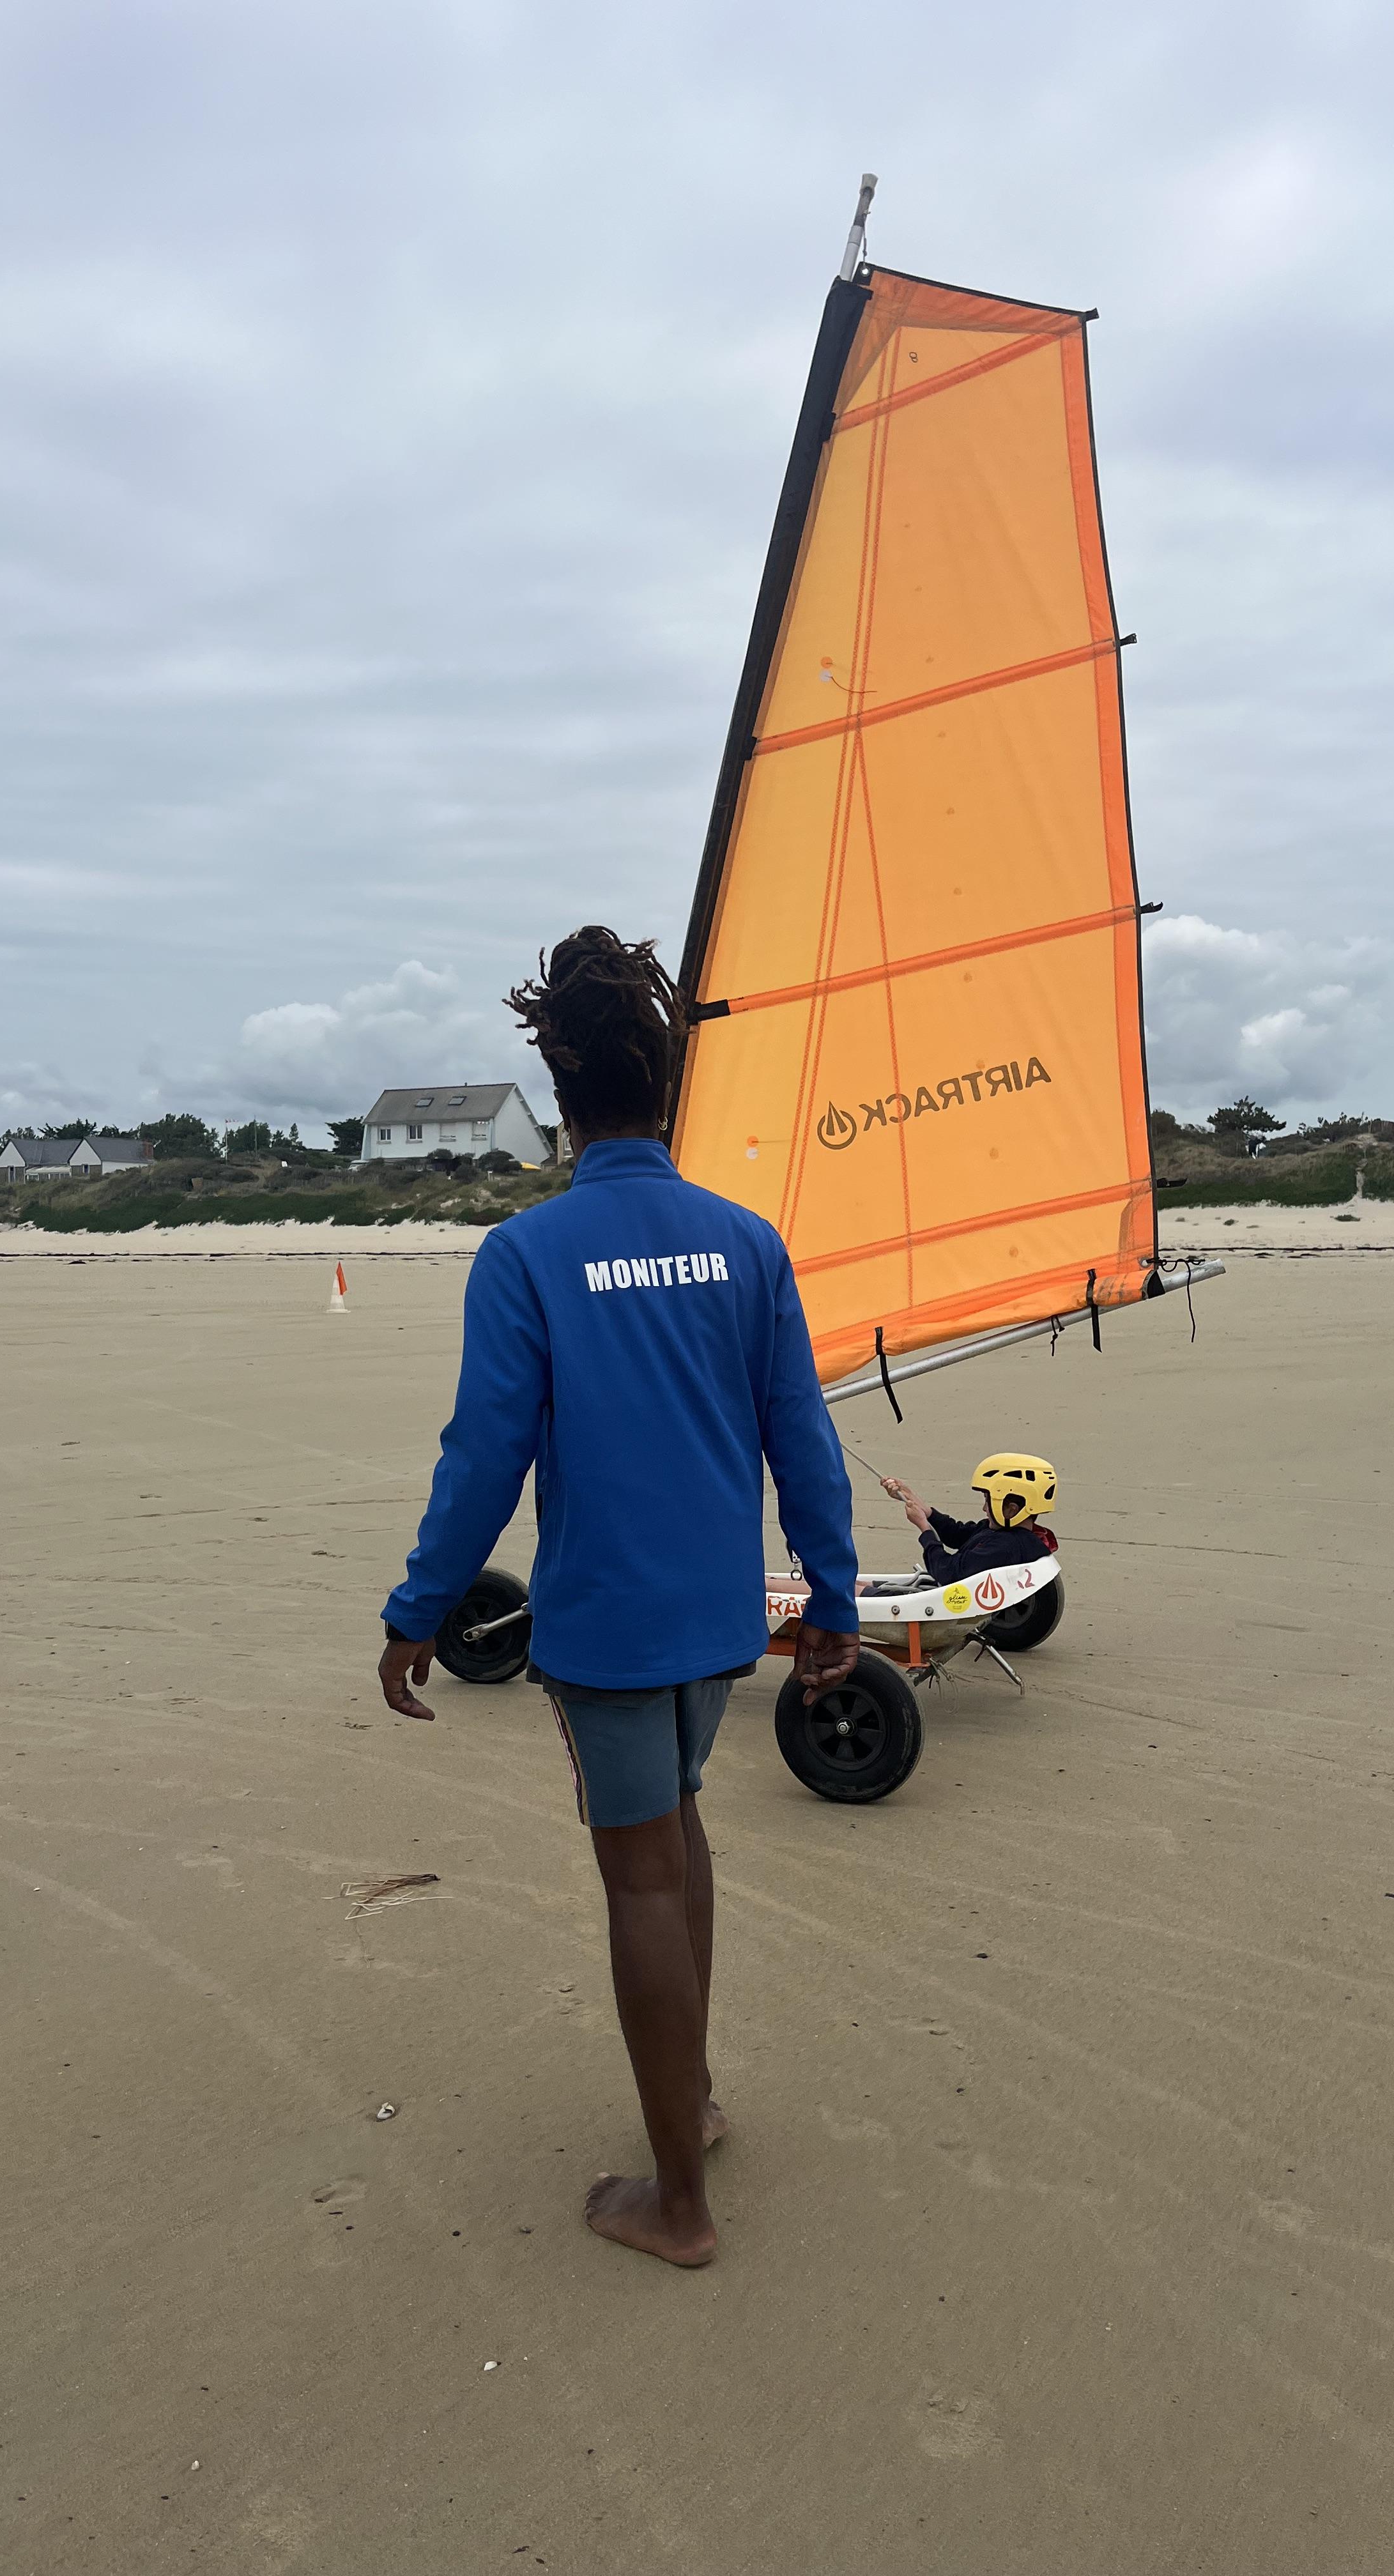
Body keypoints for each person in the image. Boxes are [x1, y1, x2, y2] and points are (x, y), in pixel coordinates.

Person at [376, 926, 859, 2269]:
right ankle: (689, 2104)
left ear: (564, 1092)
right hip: (716, 1623)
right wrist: (831, 1593)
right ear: (666, 1083)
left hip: (608, 1633)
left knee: (641, 1877)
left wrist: (420, 1609)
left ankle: (679, 2204)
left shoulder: (529, 1255)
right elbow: (802, 1437)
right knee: (682, 1831)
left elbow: (483, 1457)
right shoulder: (744, 1243)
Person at [882, 1452, 1059, 1586]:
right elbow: (957, 1534)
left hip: (951, 1601)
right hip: (953, 1593)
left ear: (1012, 1510)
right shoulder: (1006, 1533)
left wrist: (925, 1530)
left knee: (856, 1591)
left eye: (988, 1502)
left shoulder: (1005, 1547)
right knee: (857, 1586)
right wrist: (916, 1502)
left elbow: (948, 1572)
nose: (984, 1509)